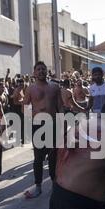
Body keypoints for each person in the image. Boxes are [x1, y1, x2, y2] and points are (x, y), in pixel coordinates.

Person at [23, 61, 63, 199]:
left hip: (52, 124)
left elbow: (60, 107)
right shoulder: (30, 89)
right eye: (38, 69)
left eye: (43, 69)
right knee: (38, 157)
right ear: (34, 73)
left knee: (53, 156)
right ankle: (38, 186)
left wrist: (62, 125)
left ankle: (54, 183)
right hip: (37, 124)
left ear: (47, 71)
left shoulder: (55, 87)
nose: (41, 71)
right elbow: (26, 107)